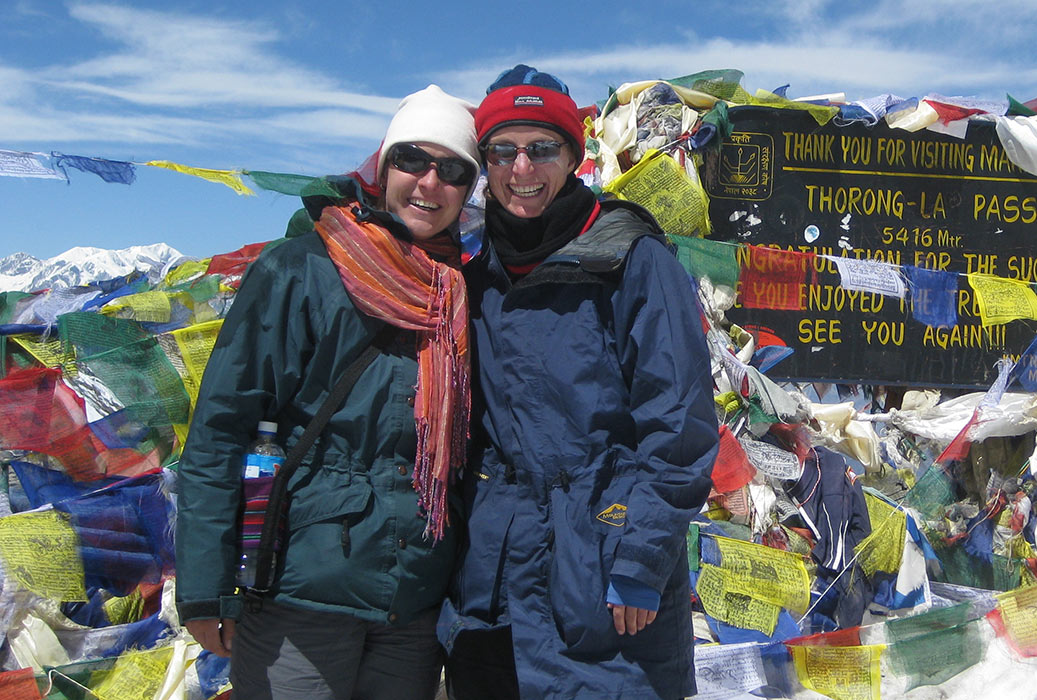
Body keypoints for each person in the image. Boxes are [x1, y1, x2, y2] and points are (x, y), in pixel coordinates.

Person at [174, 85, 480, 700]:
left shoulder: (459, 291)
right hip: (302, 590)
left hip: (411, 600)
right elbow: (220, 431)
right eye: (412, 160)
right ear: (382, 166)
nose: (429, 182)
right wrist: (205, 587)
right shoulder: (300, 270)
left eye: (451, 170)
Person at [442, 65, 719, 699]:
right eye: (503, 151)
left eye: (542, 149)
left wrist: (643, 558)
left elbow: (678, 424)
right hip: (495, 575)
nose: (522, 170)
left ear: (572, 155)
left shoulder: (630, 258)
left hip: (606, 566)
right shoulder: (473, 270)